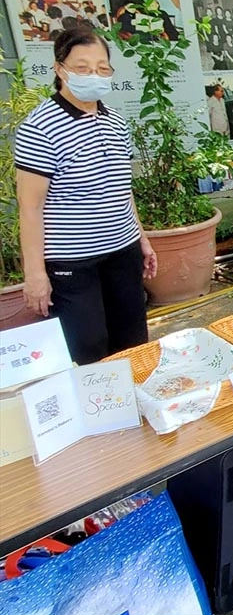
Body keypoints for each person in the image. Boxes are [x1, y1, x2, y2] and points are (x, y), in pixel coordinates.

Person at [15, 29, 157, 365]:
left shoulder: (115, 122)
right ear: (60, 69)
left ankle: (135, 410)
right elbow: (30, 207)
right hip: (72, 263)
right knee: (89, 348)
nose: (94, 75)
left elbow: (122, 189)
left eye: (102, 68)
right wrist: (35, 274)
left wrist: (141, 239)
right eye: (82, 67)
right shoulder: (40, 127)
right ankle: (99, 412)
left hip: (122, 252)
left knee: (133, 340)